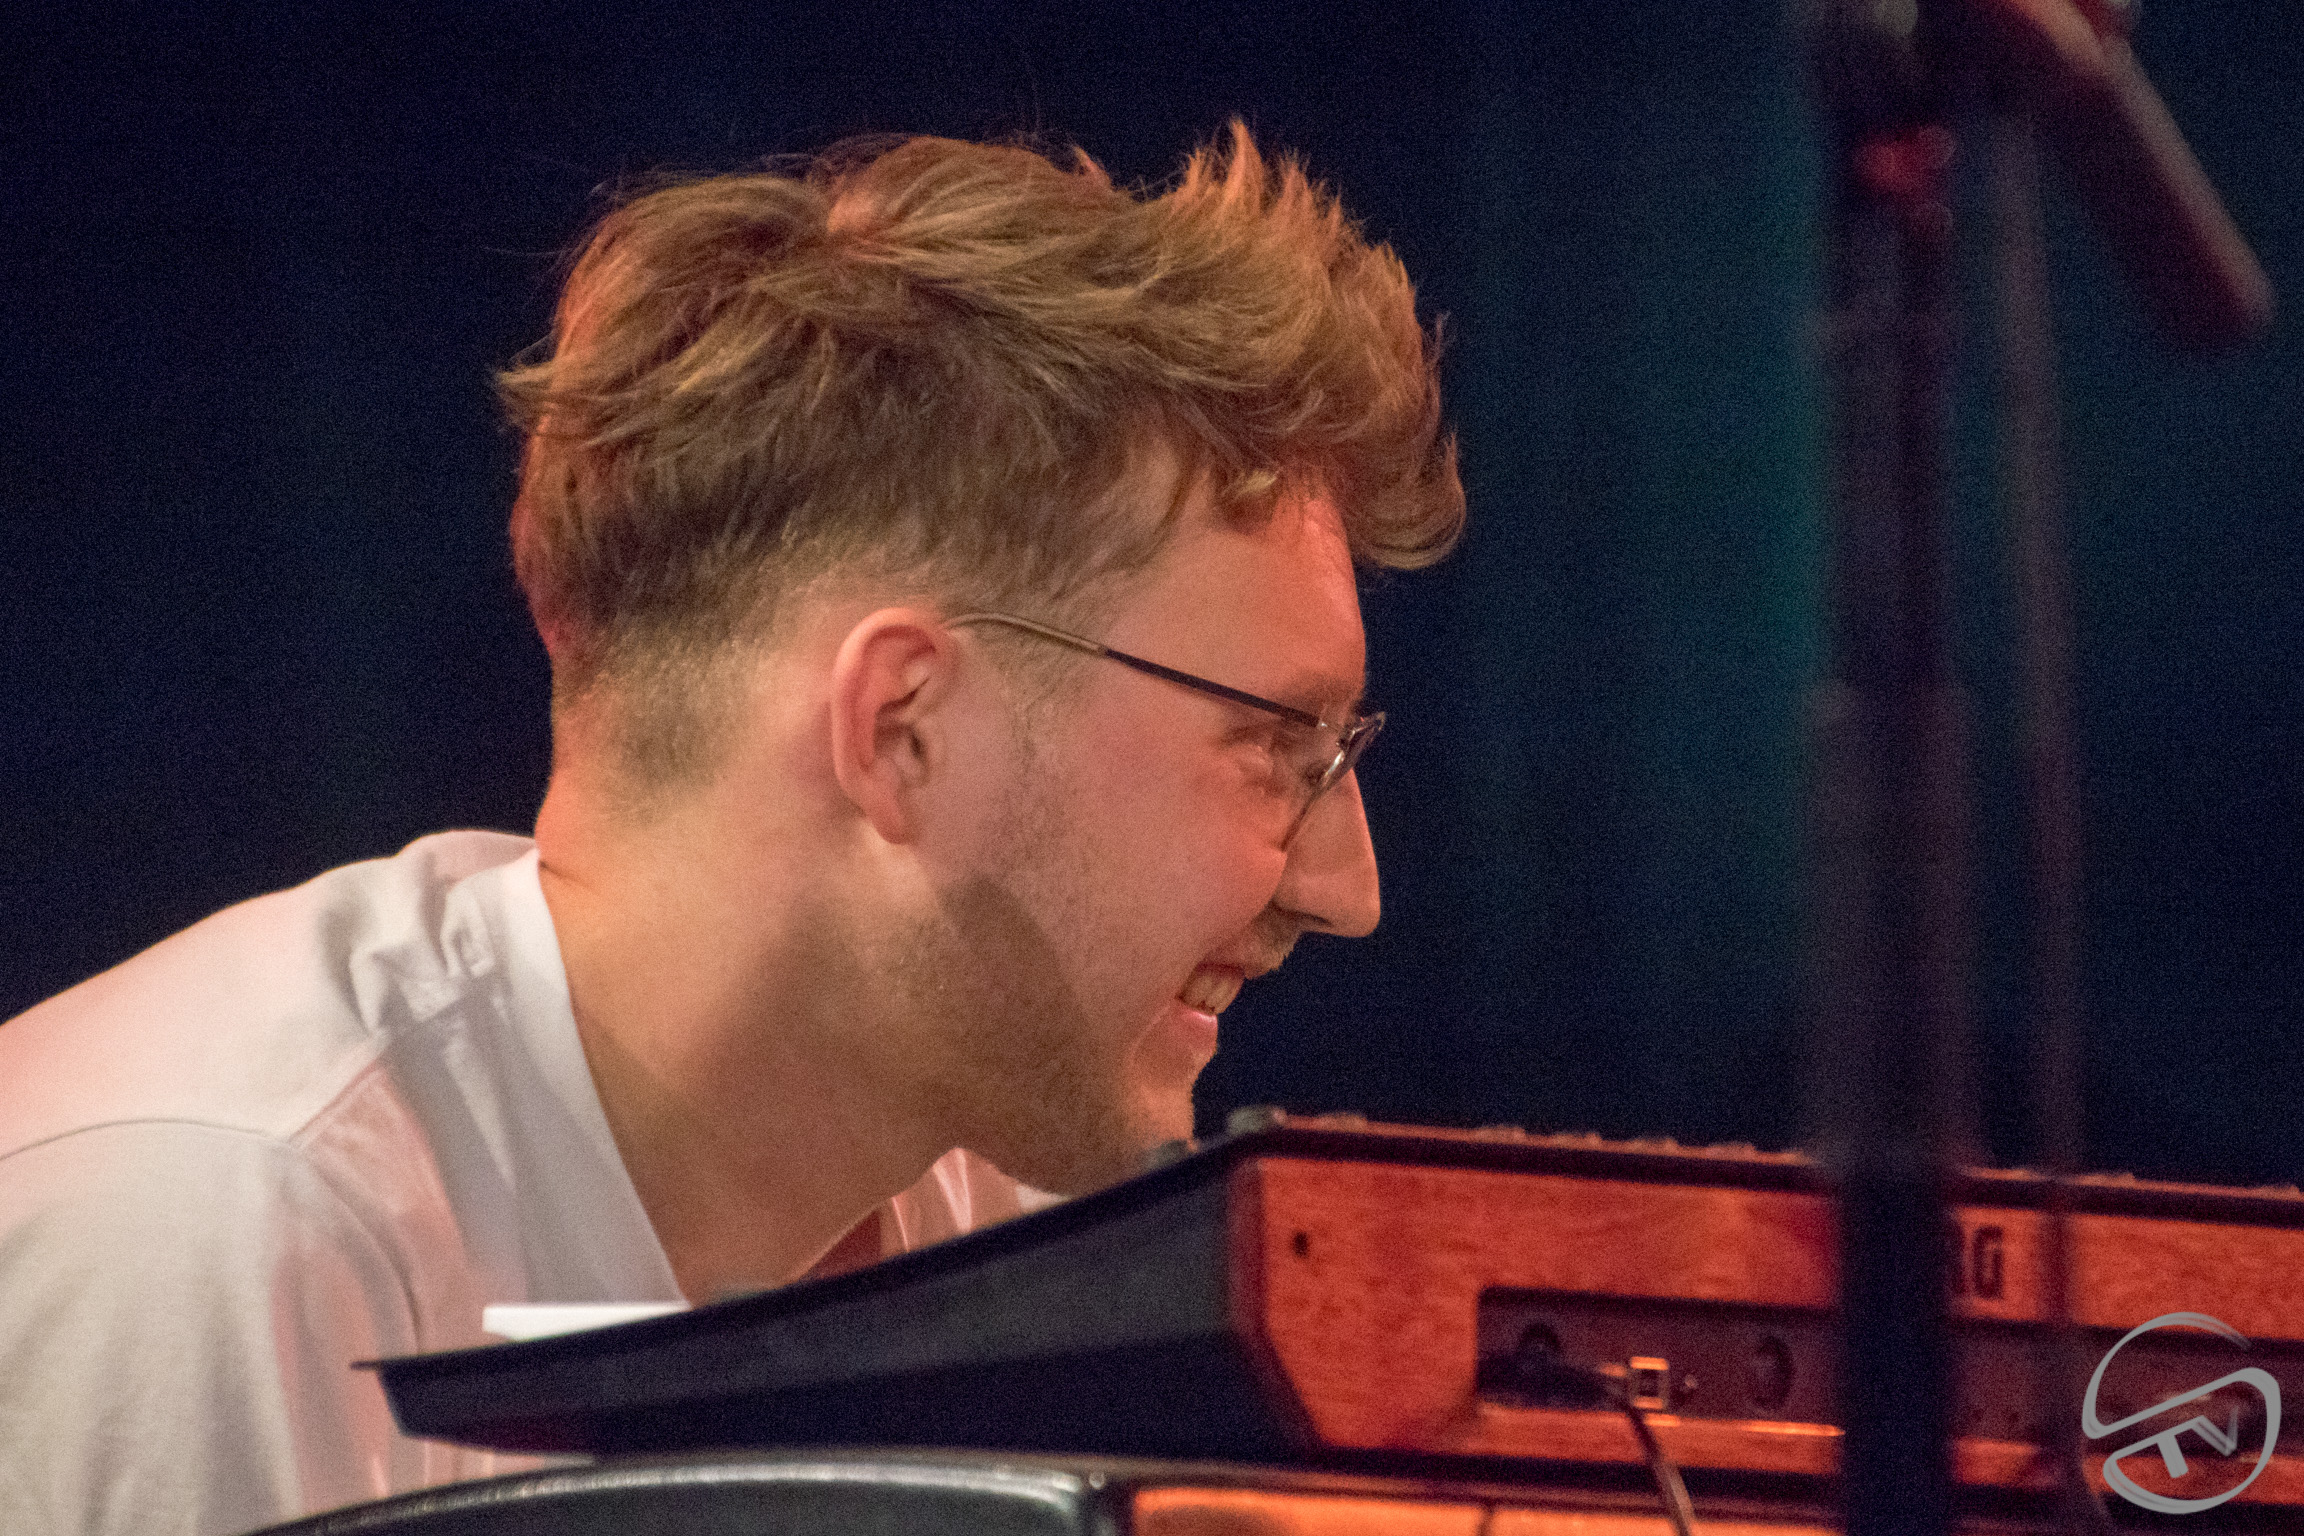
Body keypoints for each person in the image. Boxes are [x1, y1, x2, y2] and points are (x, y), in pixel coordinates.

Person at [0, 123, 1461, 1535]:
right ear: (902, 729)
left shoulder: (996, 1208)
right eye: (1276, 746)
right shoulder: (211, 1230)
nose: (1349, 889)